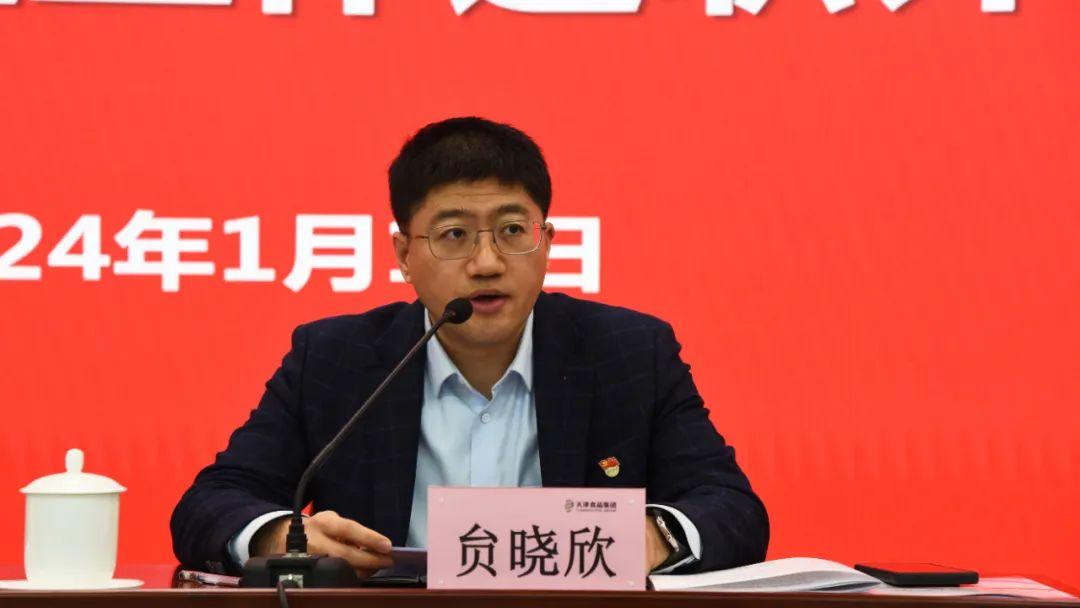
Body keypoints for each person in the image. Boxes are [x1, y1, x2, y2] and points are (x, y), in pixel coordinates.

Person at [170, 117, 768, 577]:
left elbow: (732, 509)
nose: (487, 263)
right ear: (404, 255)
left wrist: (651, 538)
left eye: (512, 231)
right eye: (454, 235)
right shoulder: (334, 359)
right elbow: (211, 503)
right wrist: (285, 539)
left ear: (546, 242)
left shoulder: (630, 354)